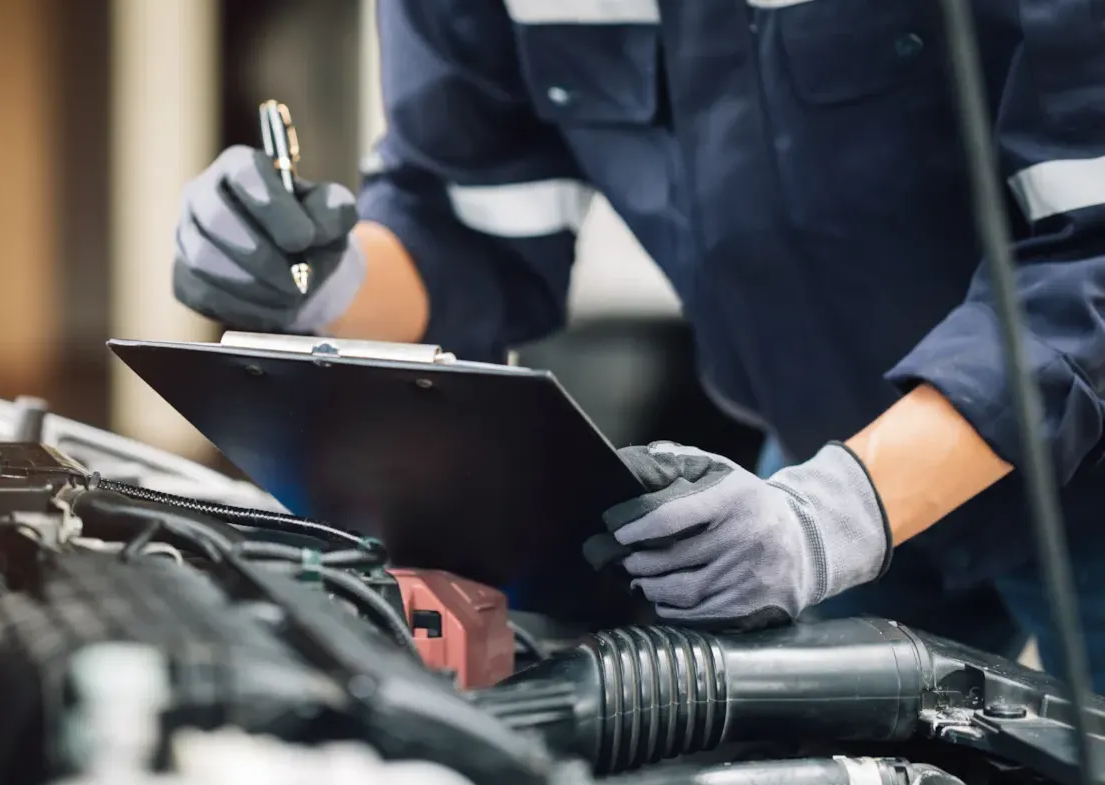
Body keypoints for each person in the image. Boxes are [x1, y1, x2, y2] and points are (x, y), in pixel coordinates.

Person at [172, 0, 1105, 688]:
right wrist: (313, 283)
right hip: (820, 454)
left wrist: (837, 514)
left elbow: (1091, 256)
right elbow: (460, 225)